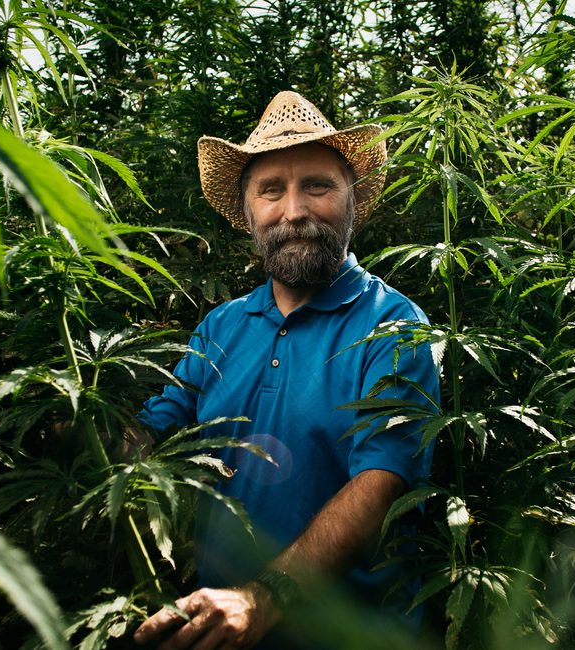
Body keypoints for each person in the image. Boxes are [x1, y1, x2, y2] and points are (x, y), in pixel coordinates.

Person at [130, 91, 440, 649]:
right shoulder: (220, 328)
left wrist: (264, 596)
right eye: (271, 190)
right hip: (216, 631)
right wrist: (72, 414)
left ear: (352, 200)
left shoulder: (394, 326)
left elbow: (383, 481)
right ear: (248, 213)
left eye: (317, 186)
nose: (293, 211)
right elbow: (154, 433)